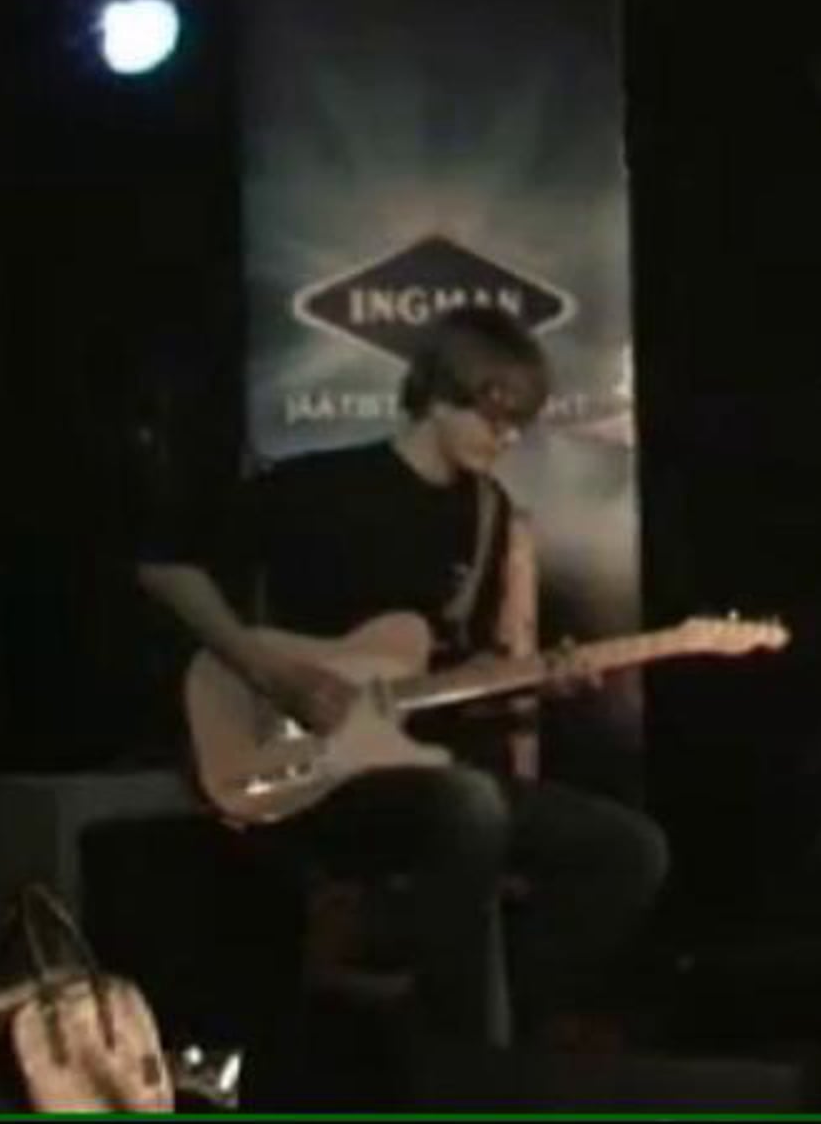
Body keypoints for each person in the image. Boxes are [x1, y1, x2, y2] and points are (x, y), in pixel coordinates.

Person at [135, 306, 670, 1051]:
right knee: (470, 805)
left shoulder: (487, 513)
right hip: (312, 769)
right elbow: (166, 570)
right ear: (438, 394)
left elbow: (449, 678)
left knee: (630, 849)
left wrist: (532, 683)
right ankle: (452, 1055)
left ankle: (465, 1030)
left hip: (421, 758)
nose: (507, 437)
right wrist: (272, 673)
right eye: (493, 416)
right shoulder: (317, 486)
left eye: (520, 424)